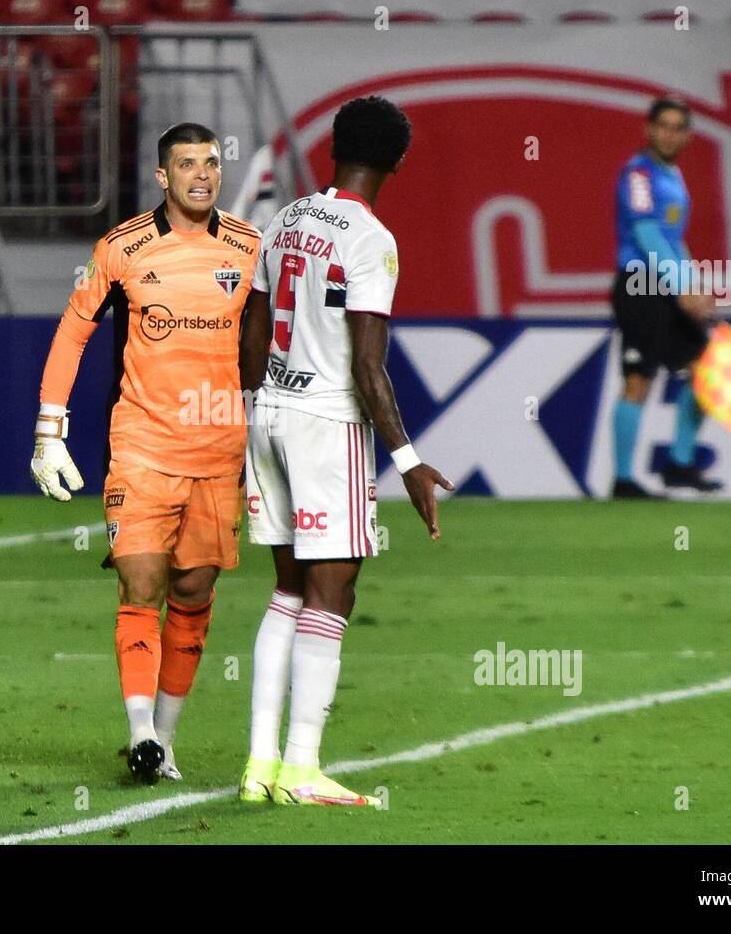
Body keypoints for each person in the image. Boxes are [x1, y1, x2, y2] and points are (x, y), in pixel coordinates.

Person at [237, 97, 452, 806]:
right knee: (333, 594)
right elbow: (368, 367)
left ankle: (259, 766)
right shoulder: (370, 238)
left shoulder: (284, 218)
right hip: (326, 423)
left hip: (269, 409)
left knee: (287, 590)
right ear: (397, 160)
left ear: (335, 148)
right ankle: (302, 768)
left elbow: (252, 331)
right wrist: (409, 459)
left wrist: (251, 415)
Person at [30, 122, 261, 782]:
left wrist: (271, 437)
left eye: (211, 163)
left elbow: (261, 347)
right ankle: (139, 734)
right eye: (187, 164)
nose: (201, 175)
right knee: (142, 581)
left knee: (193, 590)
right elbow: (74, 333)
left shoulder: (248, 247)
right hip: (141, 444)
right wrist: (50, 429)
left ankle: (164, 738)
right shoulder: (123, 248)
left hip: (218, 450)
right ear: (162, 176)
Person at [610, 95, 722, 498]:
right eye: (663, 125)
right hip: (640, 285)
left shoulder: (671, 176)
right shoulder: (639, 175)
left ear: (688, 135)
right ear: (649, 128)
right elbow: (648, 235)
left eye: (677, 127)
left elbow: (674, 241)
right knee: (639, 378)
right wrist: (682, 286)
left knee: (707, 370)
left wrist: (693, 284)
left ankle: (679, 464)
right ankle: (623, 481)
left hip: (666, 286)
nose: (669, 134)